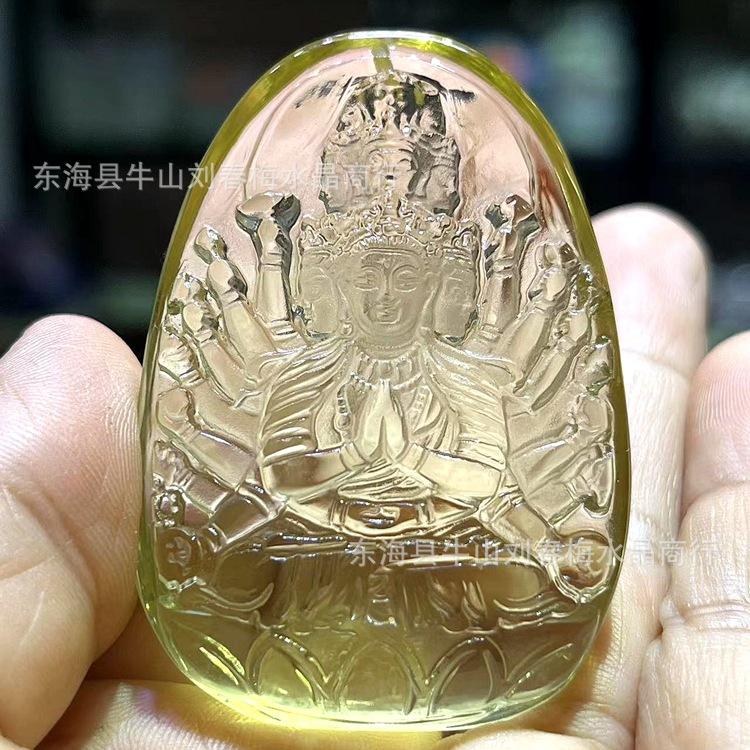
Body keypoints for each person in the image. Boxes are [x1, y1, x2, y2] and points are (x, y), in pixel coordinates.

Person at [3, 203, 745, 749]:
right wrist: (354, 464)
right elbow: (281, 473)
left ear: (434, 290)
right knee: (245, 597)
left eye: (404, 279)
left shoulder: (467, 379)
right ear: (339, 288)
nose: (386, 297)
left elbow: (484, 478)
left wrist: (411, 464)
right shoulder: (305, 375)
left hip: (447, 577)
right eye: (369, 278)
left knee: (516, 604)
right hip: (313, 584)